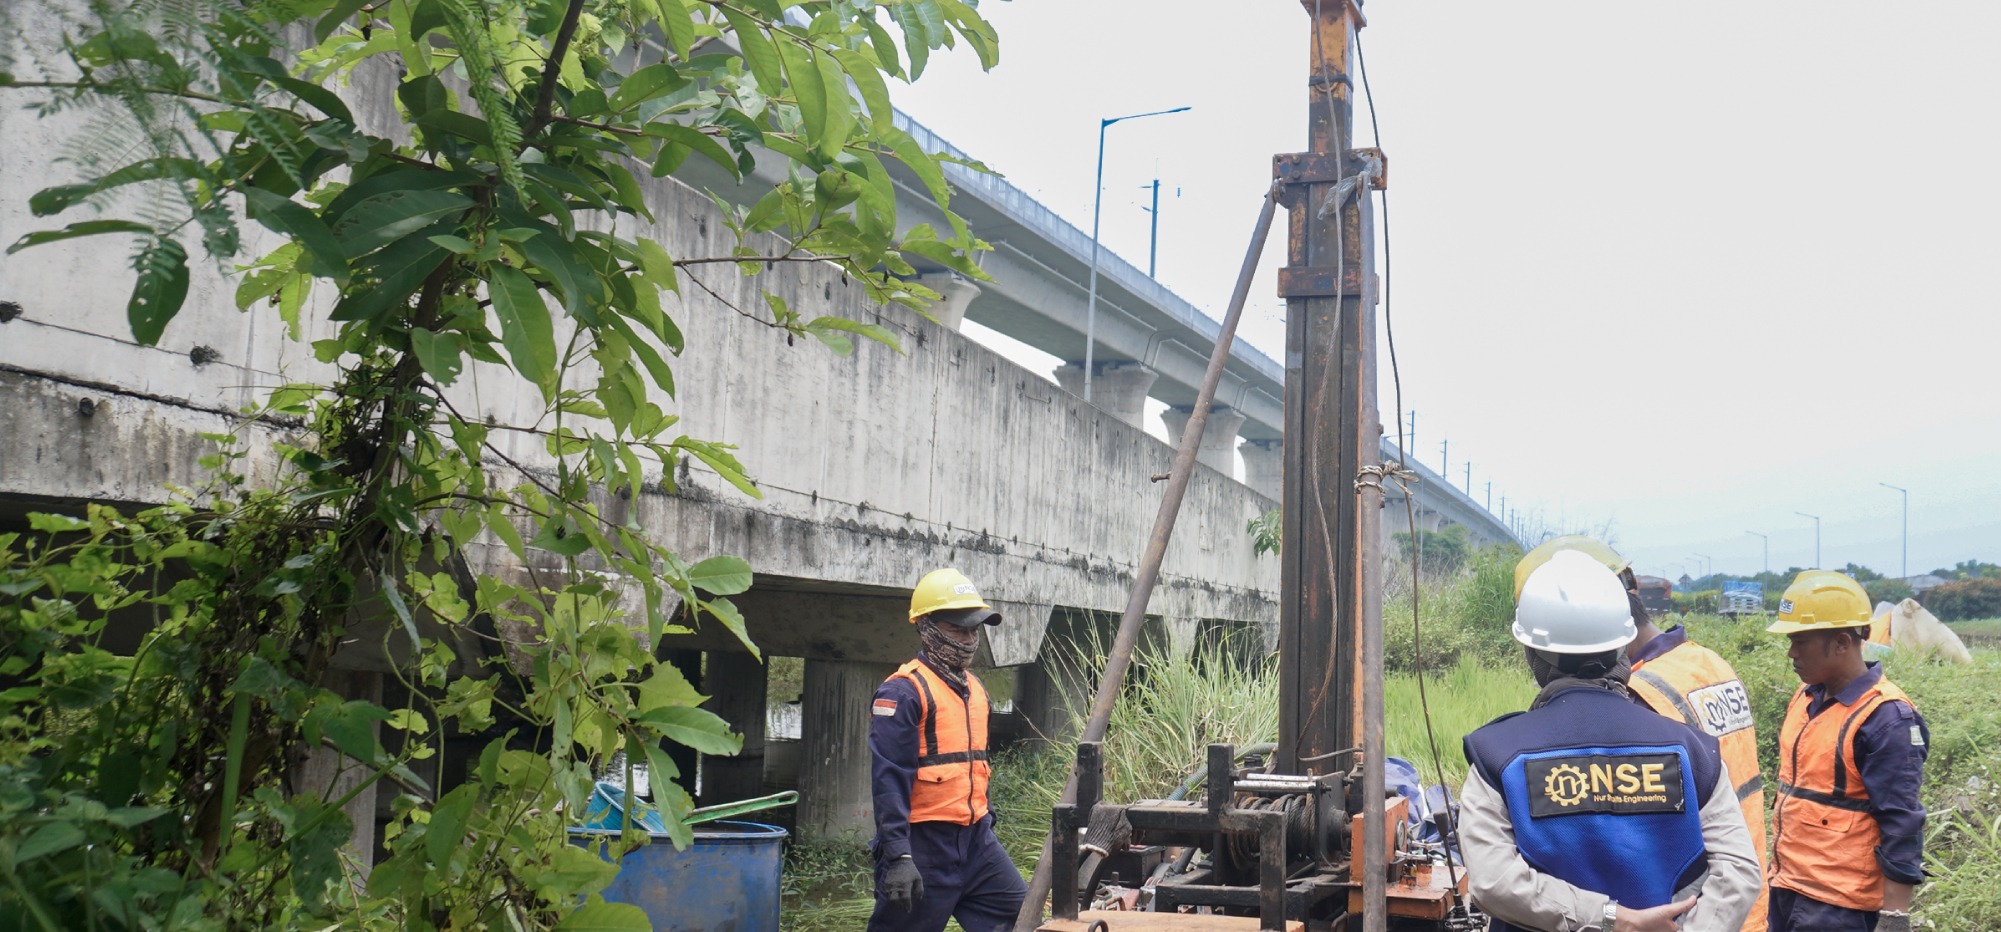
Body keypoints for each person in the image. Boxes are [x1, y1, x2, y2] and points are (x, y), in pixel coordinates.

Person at [1463, 550, 1760, 932]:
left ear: (1532, 656)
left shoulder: (1497, 755)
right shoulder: (1692, 750)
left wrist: (1609, 920)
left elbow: (1494, 883)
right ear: (1622, 648)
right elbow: (1739, 872)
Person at [1765, 571, 1928, 932]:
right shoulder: (1806, 697)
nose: (1791, 652)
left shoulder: (1886, 719)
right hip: (1787, 885)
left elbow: (1901, 822)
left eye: (1800, 640)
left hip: (1840, 908)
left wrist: (1895, 916)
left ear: (1841, 643)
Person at [866, 568, 1026, 932]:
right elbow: (888, 780)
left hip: (976, 843)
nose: (969, 639)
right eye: (958, 629)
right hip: (923, 848)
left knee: (1024, 920)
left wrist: (984, 820)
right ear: (925, 627)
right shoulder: (903, 693)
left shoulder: (976, 690)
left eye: (974, 630)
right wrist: (899, 857)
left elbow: (974, 769)